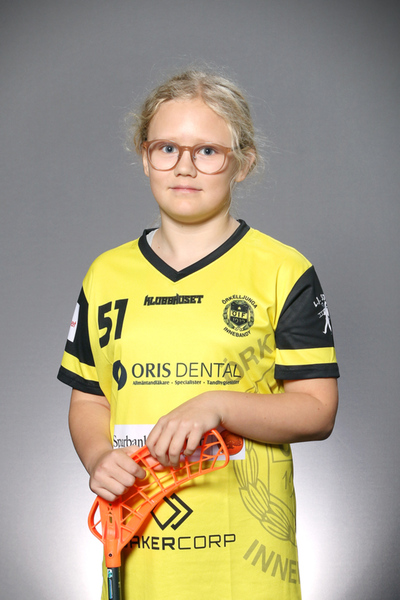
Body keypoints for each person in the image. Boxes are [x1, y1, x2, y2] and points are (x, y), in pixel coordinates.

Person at [58, 68, 339, 600]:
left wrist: (217, 405)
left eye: (208, 151)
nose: (184, 166)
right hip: (138, 547)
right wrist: (98, 458)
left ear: (242, 163)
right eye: (167, 148)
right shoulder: (106, 275)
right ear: (145, 157)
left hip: (248, 561)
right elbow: (90, 400)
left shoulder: (283, 271)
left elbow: (317, 410)